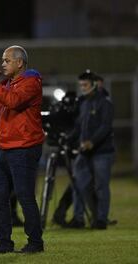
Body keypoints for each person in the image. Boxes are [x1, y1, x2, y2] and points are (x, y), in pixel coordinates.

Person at [0, 45, 45, 253]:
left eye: (7, 60)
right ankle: (4, 242)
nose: (3, 63)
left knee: (24, 196)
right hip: (4, 148)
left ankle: (35, 243)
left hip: (23, 148)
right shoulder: (6, 84)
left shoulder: (31, 82)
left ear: (19, 63)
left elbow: (14, 101)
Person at [66, 71, 115, 230]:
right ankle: (78, 218)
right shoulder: (84, 103)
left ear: (94, 84)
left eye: (85, 85)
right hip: (84, 152)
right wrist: (67, 138)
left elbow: (105, 127)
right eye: (81, 85)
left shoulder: (105, 103)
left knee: (101, 186)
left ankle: (101, 219)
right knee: (78, 184)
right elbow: (79, 126)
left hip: (102, 152)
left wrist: (91, 142)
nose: (82, 88)